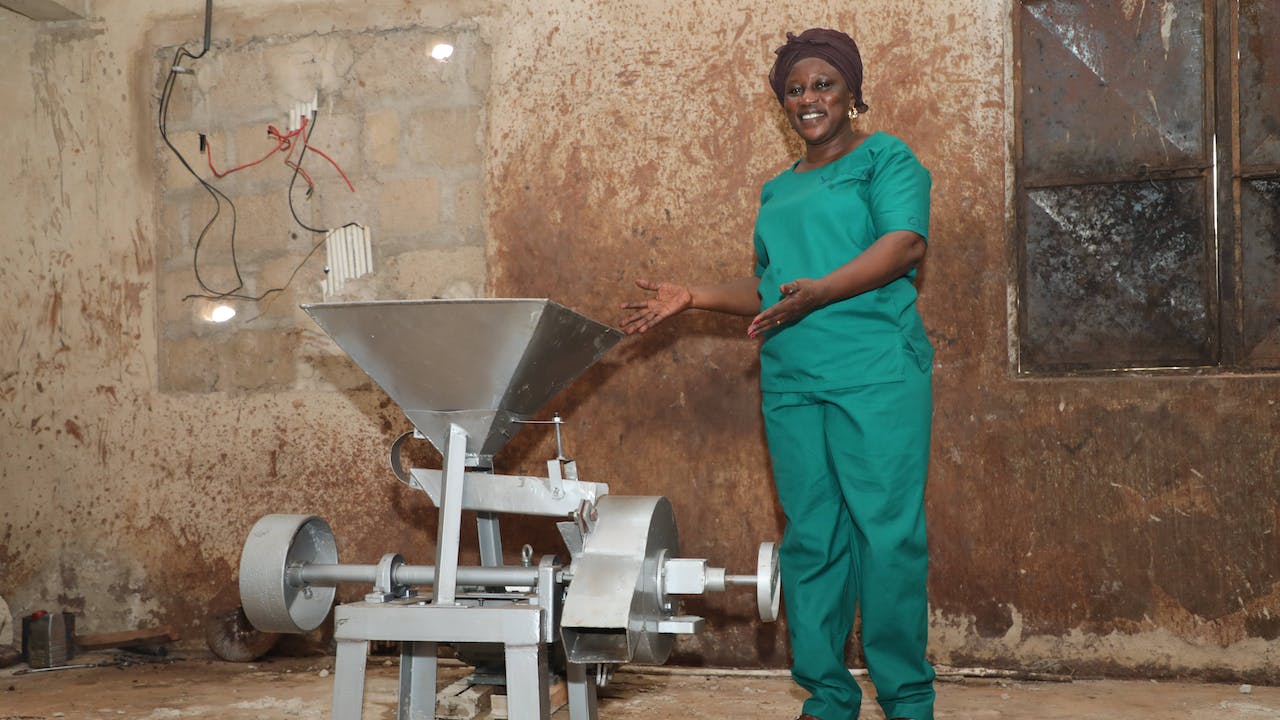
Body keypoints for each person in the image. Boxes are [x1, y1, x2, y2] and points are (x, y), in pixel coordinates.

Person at [619, 28, 936, 720]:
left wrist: (822, 291)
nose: (808, 98)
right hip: (794, 381)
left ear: (852, 91)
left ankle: (908, 699)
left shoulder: (886, 159)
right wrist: (695, 296)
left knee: (886, 535)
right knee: (812, 536)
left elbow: (903, 243)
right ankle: (827, 694)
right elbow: (773, 290)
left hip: (876, 372)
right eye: (794, 89)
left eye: (823, 84)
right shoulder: (776, 190)